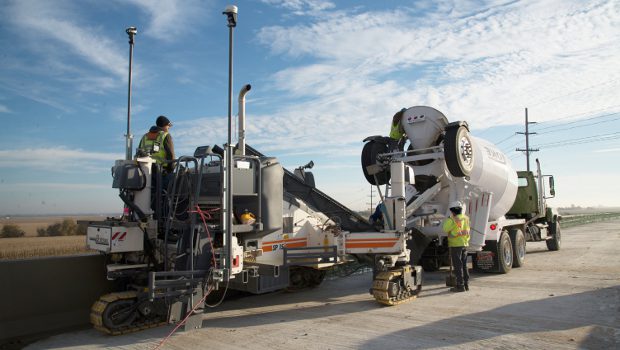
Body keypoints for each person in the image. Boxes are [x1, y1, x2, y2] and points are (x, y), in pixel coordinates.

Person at [442, 200, 471, 292]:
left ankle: (460, 285)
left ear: (452, 211)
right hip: (464, 244)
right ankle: (466, 284)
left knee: (458, 266)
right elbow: (467, 230)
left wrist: (450, 219)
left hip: (455, 245)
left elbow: (445, 228)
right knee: (464, 265)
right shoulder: (465, 218)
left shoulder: (452, 219)